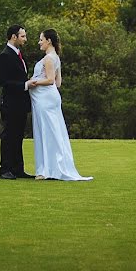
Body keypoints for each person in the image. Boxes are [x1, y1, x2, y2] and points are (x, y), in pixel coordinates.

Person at [25, 29, 93, 181]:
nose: (39, 42)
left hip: (45, 99)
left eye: (41, 39)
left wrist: (32, 82)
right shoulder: (55, 58)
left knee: (46, 131)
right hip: (50, 98)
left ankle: (46, 169)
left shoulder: (49, 59)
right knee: (53, 131)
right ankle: (51, 167)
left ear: (48, 41)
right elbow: (58, 83)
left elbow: (50, 80)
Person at [0, 25, 35, 179]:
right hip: (11, 104)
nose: (25, 39)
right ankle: (4, 169)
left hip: (20, 104)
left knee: (18, 136)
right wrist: (26, 85)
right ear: (14, 36)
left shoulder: (18, 54)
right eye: (23, 36)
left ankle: (18, 168)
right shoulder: (5, 56)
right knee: (8, 136)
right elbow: (4, 82)